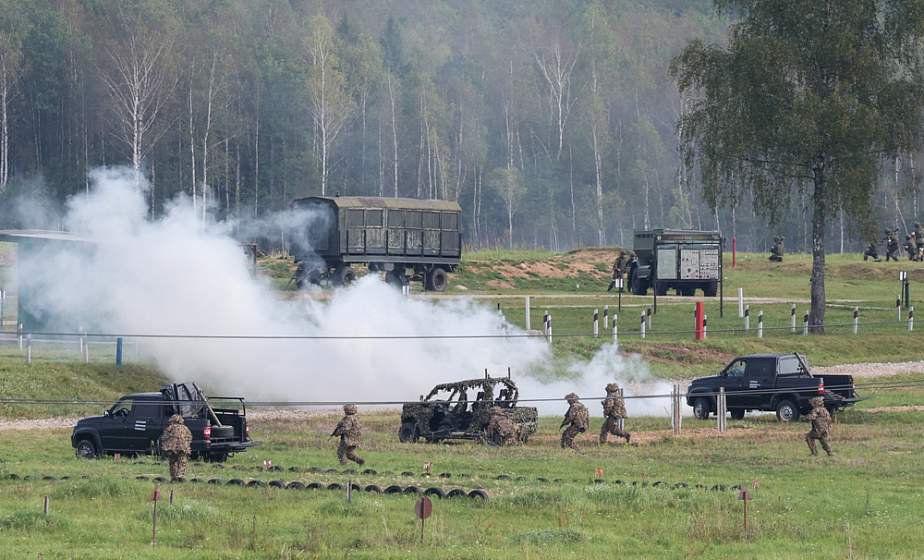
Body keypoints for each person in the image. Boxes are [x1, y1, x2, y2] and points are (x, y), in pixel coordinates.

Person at [159, 414, 192, 482]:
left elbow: (164, 437)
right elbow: (189, 437)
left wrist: (165, 446)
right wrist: (187, 444)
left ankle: (174, 477)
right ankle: (180, 475)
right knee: (182, 461)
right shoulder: (185, 428)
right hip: (183, 447)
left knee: (173, 462)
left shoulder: (170, 428)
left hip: (172, 448)